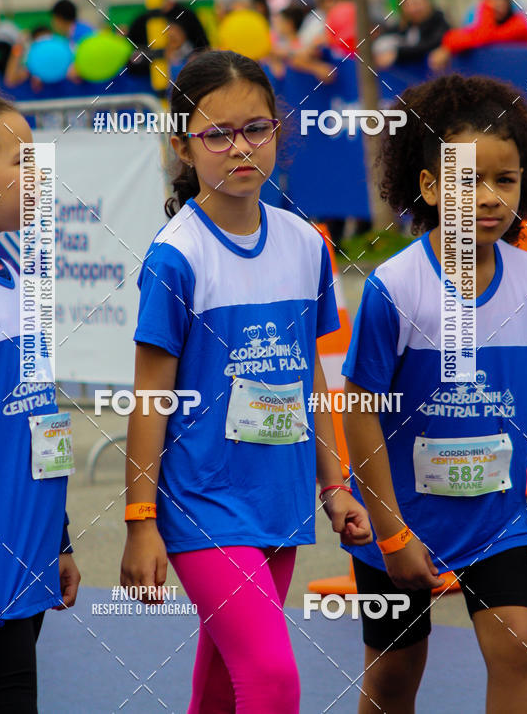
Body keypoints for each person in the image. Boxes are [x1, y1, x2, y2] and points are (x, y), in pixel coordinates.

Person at [120, 49, 372, 713]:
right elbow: (149, 397)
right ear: (183, 147)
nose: (240, 148)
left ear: (278, 132)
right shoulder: (177, 255)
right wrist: (140, 520)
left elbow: (310, 378)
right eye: (217, 134)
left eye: (256, 128)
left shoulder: (305, 244)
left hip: (280, 499)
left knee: (225, 683)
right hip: (204, 502)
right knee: (272, 679)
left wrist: (334, 485)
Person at [342, 73, 527, 713]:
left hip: (496, 522)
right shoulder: (395, 287)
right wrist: (391, 531)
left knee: (519, 643)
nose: (488, 198)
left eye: (504, 180)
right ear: (430, 187)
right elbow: (359, 409)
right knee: (397, 674)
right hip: (402, 524)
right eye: (467, 180)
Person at [0, 90, 80, 711]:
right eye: (22, 160)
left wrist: (59, 538)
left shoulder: (20, 271)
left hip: (25, 563)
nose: (40, 174)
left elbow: (40, 418)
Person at [430, 0, 527, 71]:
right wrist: (447, 47)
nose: (498, 3)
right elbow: (452, 36)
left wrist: (486, 7)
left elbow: (486, 37)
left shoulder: (520, 23)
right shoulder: (483, 27)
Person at [373, 0, 450, 69]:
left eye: (417, 2)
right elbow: (383, 40)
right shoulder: (403, 27)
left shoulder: (439, 22)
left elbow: (430, 44)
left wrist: (397, 54)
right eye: (407, 4)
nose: (413, 8)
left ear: (427, 1)